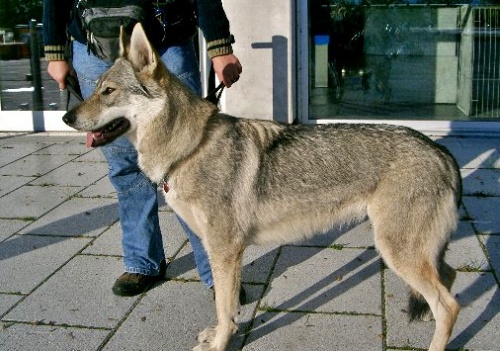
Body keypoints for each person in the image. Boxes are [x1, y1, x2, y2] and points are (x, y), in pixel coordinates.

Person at [43, 0, 242, 297]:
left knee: (190, 167)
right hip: (93, 44)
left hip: (165, 44)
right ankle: (142, 262)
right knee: (124, 167)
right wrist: (55, 51)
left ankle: (217, 271)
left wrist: (220, 46)